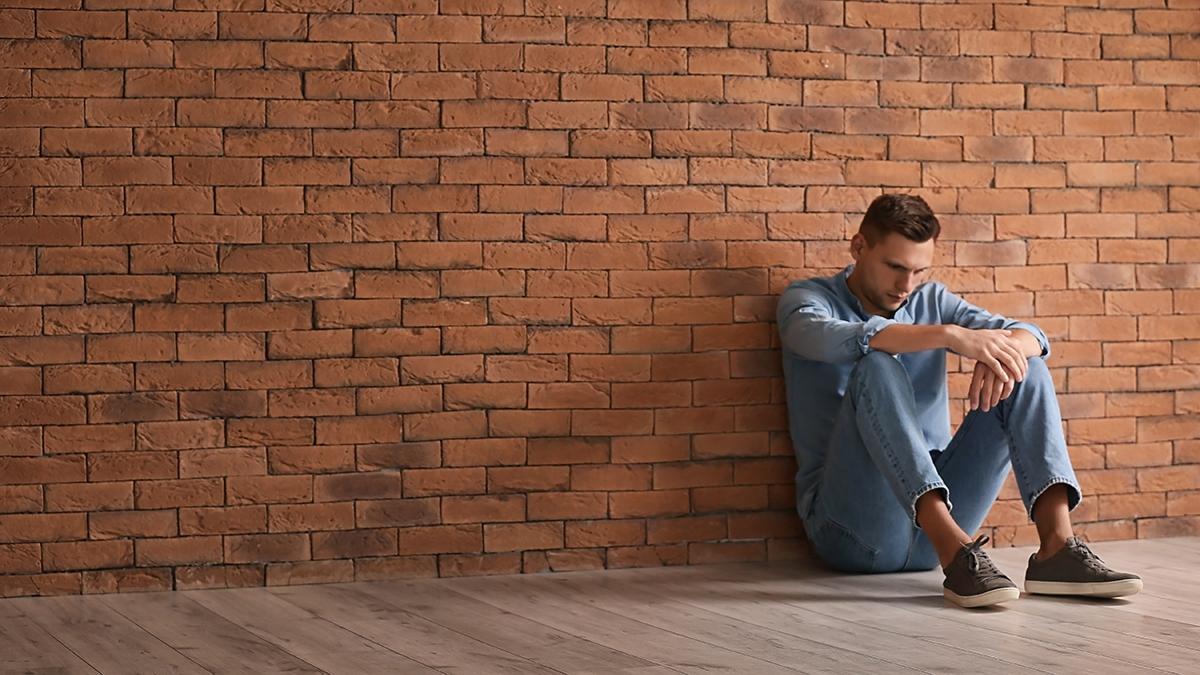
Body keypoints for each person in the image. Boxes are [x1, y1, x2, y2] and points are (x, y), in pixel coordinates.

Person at [776, 193, 1142, 608]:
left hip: (940, 533)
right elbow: (839, 338)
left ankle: (1056, 549)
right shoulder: (806, 301)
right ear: (859, 247)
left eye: (918, 272)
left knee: (1022, 364)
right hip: (851, 531)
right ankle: (955, 552)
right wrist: (951, 335)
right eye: (895, 268)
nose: (906, 286)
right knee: (875, 364)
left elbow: (1032, 335)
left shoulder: (930, 301)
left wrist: (1000, 352)